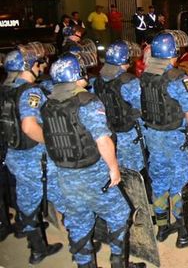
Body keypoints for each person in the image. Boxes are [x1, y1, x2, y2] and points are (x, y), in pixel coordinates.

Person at [41, 52, 145, 268]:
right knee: (119, 213)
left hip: (64, 175)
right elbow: (103, 140)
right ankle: (119, 263)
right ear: (77, 74)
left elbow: (48, 142)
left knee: (78, 223)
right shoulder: (86, 102)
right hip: (92, 173)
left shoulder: (48, 104)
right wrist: (114, 169)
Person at [140, 32, 188, 247]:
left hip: (152, 137)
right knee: (180, 186)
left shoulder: (145, 75)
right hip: (173, 138)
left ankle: (162, 228)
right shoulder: (178, 78)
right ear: (173, 53)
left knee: (159, 183)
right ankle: (184, 235)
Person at [0, 49, 64, 264]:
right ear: (29, 66)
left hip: (14, 155)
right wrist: (51, 141)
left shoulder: (5, 89)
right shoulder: (30, 92)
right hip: (36, 158)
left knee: (27, 199)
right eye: (38, 63)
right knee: (63, 197)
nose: (41, 66)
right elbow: (29, 126)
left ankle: (36, 248)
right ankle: (83, 242)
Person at [91, 41, 145, 173]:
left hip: (109, 134)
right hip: (129, 132)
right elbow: (142, 107)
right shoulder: (129, 81)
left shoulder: (97, 81)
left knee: (117, 167)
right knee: (135, 170)